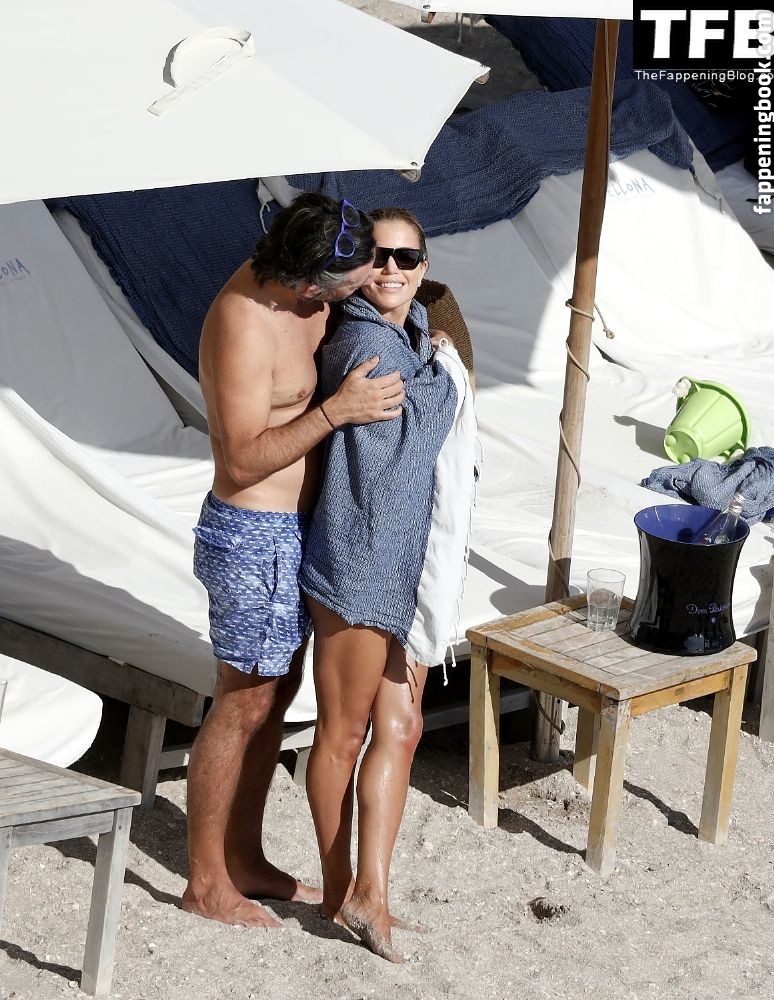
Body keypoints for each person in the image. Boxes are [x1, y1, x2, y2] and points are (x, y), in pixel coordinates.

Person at [181, 193, 406, 929]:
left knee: (276, 698)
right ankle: (205, 883)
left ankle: (244, 857)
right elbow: (242, 460)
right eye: (344, 287)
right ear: (309, 280)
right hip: (254, 532)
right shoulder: (244, 321)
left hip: (302, 529)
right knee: (241, 701)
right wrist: (336, 411)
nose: (350, 295)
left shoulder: (316, 287)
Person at [300, 207, 477, 962]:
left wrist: (436, 352)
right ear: (357, 266)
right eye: (378, 256)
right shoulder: (360, 342)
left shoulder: (413, 337)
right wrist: (446, 364)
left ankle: (372, 893)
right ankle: (338, 888)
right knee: (343, 732)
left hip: (411, 562)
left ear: (423, 266)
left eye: (407, 258)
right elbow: (422, 421)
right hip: (362, 559)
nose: (393, 270)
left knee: (401, 730)